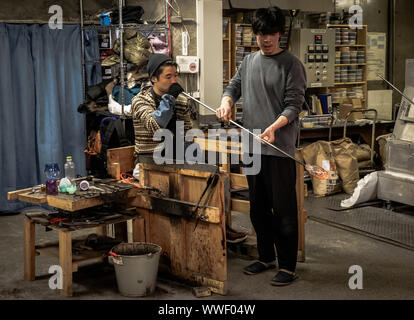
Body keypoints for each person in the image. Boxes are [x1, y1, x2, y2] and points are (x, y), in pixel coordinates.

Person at [216, 7, 306, 285]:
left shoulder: (292, 64)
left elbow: (294, 105)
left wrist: (275, 127)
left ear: (280, 34)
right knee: (258, 208)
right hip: (252, 148)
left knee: (284, 211)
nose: (265, 39)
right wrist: (226, 101)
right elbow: (233, 86)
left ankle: (288, 265)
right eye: (260, 34)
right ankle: (266, 256)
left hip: (278, 150)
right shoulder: (249, 61)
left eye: (270, 34)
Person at [131, 53, 247, 243]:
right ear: (153, 79)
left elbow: (186, 133)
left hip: (177, 156)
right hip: (150, 160)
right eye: (168, 77)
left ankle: (219, 229)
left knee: (218, 177)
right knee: (185, 190)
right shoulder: (140, 101)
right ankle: (187, 235)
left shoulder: (181, 100)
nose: (174, 80)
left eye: (176, 75)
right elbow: (155, 124)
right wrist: (169, 99)